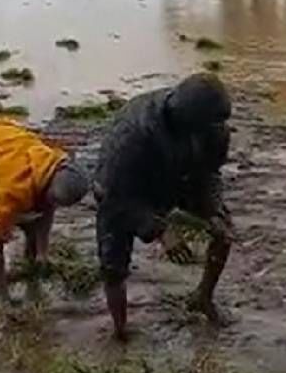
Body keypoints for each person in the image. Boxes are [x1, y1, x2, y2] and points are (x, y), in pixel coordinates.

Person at [94, 74, 235, 341]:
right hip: (124, 187)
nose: (216, 131)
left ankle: (203, 297)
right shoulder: (133, 133)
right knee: (113, 265)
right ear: (186, 122)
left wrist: (213, 208)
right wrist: (161, 230)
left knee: (223, 230)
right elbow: (114, 197)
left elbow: (211, 173)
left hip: (180, 175)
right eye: (208, 128)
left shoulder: (215, 127)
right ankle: (120, 330)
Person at [0, 115, 90, 306]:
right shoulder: (12, 191)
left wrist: (42, 253)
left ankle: (32, 277)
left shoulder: (54, 162)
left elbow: (47, 209)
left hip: (2, 139)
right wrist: (5, 302)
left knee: (32, 221)